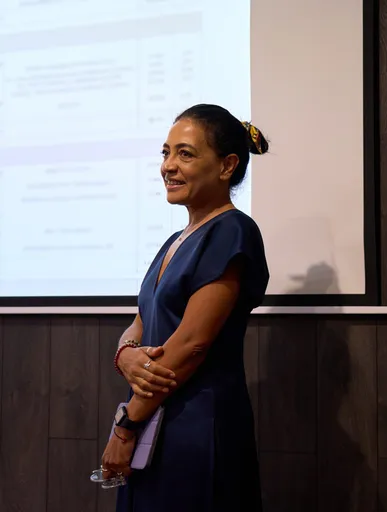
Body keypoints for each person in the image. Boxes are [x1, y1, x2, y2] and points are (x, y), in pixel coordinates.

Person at [100, 104, 270, 512]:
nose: (168, 166)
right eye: (166, 153)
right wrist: (125, 355)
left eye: (185, 154)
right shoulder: (175, 239)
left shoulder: (232, 230)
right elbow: (139, 323)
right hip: (153, 418)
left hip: (197, 424)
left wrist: (125, 427)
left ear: (227, 165)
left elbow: (192, 343)